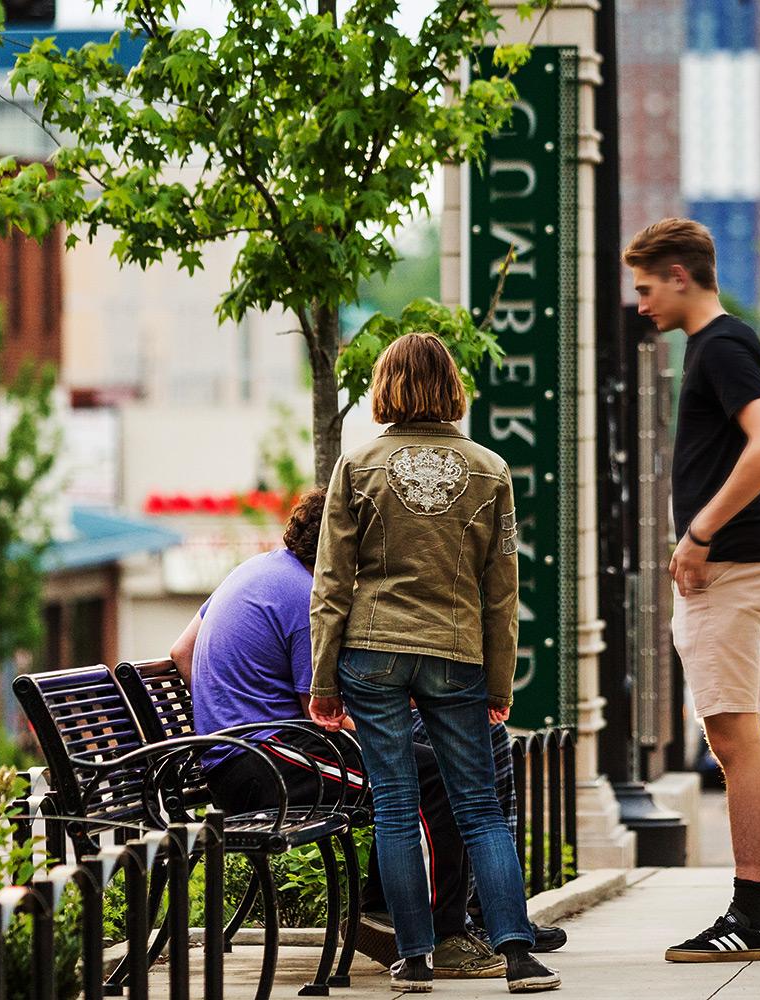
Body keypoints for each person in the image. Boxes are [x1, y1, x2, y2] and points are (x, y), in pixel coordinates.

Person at [171, 491, 557, 979]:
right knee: (430, 774)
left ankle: (386, 911)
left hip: (242, 753)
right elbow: (325, 711)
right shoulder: (306, 598)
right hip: (270, 760)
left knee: (416, 763)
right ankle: (444, 934)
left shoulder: (257, 569)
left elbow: (181, 651)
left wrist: (230, 708)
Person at [308, 333, 559, 994]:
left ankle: (414, 960)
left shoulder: (357, 468)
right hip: (455, 653)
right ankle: (516, 955)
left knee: (394, 807)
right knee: (479, 808)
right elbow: (503, 594)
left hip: (372, 651)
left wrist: (324, 681)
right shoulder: (489, 470)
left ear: (385, 386)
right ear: (452, 387)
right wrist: (499, 684)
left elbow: (331, 584)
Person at [626, 219, 760, 963]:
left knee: (735, 737)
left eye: (645, 287)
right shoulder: (717, 346)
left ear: (680, 276)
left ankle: (753, 917)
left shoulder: (723, 344)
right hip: (731, 566)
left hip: (730, 567)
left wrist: (699, 534)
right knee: (736, 737)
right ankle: (753, 912)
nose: (640, 304)